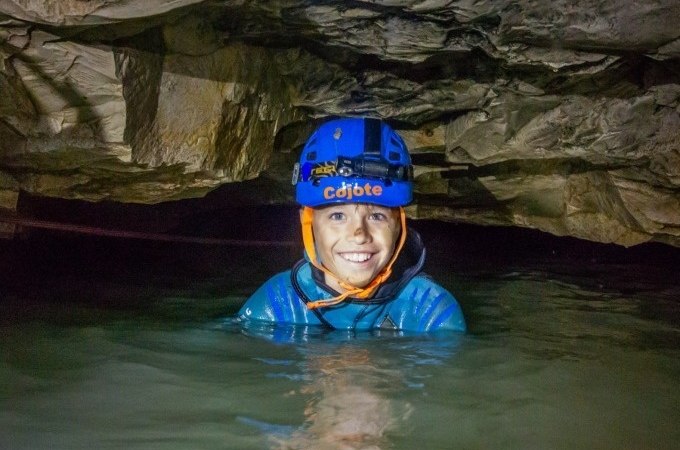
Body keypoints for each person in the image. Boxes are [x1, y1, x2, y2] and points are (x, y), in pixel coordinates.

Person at [238, 117, 466, 332]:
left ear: (398, 225)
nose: (359, 235)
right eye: (337, 216)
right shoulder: (274, 306)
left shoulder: (432, 315)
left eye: (377, 216)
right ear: (307, 223)